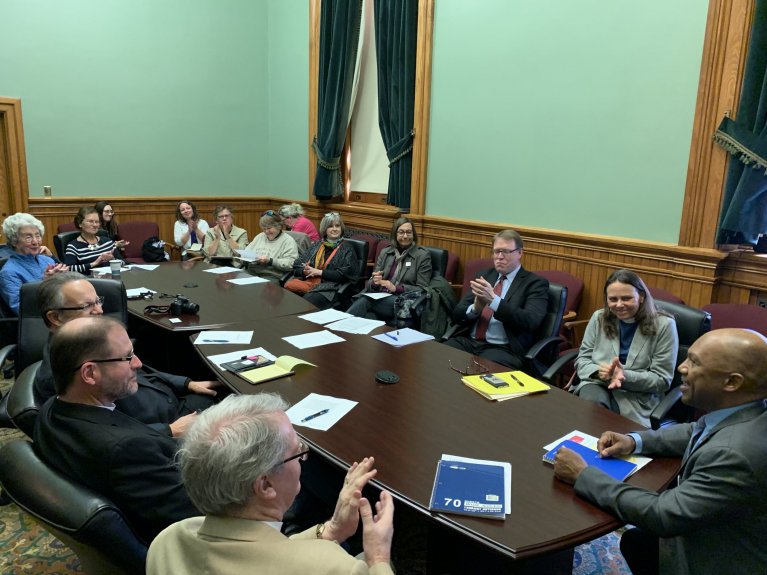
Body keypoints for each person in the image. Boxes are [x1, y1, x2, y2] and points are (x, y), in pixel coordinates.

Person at [553, 328, 767, 575]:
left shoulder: (733, 455)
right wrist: (634, 441)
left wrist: (583, 475)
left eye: (694, 362)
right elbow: (697, 430)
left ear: (732, 382)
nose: (681, 368)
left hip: (716, 558)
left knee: (639, 540)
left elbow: (663, 514)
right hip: (711, 525)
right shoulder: (749, 411)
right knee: (636, 542)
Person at [147, 393, 395, 575]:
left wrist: (331, 530)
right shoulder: (333, 567)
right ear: (265, 485)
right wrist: (378, 558)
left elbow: (262, 554)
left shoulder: (168, 541)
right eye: (298, 453)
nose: (302, 460)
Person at [33, 316, 200, 543]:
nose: (138, 364)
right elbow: (195, 514)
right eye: (127, 357)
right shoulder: (127, 450)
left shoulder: (51, 409)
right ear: (90, 373)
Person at [34, 272, 221, 437]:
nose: (99, 311)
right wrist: (169, 430)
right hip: (167, 423)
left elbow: (141, 367)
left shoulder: (89, 344)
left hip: (170, 398)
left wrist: (186, 382)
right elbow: (103, 433)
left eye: (98, 301)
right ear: (55, 318)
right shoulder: (60, 376)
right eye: (86, 306)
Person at [570, 269, 679, 426]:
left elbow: (662, 380)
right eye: (613, 299)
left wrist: (624, 376)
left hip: (636, 397)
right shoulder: (599, 318)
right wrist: (600, 373)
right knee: (590, 412)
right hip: (597, 384)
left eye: (626, 298)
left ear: (641, 297)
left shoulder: (665, 325)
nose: (619, 305)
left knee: (601, 423)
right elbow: (582, 360)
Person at [444, 229, 548, 368]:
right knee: (440, 358)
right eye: (496, 251)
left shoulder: (534, 283)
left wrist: (494, 302)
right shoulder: (485, 275)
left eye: (505, 252)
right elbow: (457, 315)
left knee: (481, 372)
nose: (499, 257)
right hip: (469, 341)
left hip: (503, 348)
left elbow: (530, 321)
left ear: (520, 253)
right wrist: (475, 309)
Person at [347, 217, 432, 323]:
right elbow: (371, 282)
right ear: (395, 234)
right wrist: (375, 281)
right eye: (401, 232)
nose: (405, 236)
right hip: (381, 297)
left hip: (402, 300)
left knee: (365, 301)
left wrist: (395, 288)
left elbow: (422, 289)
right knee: (368, 317)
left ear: (413, 235)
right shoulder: (386, 252)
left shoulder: (422, 256)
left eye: (409, 232)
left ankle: (339, 327)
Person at [285, 212, 356, 309]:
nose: (334, 229)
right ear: (324, 229)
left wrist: (319, 272)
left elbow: (344, 275)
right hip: (310, 282)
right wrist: (304, 271)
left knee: (306, 302)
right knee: (286, 296)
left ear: (341, 228)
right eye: (330, 226)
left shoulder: (347, 248)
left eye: (337, 226)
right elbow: (297, 263)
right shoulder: (317, 245)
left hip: (331, 288)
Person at [0, 212, 67, 313]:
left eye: (38, 235)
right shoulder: (8, 273)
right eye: (28, 237)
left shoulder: (47, 260)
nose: (35, 242)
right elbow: (20, 309)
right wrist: (45, 283)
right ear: (14, 241)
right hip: (40, 320)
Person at [242, 211, 298, 280]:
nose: (266, 232)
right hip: (252, 272)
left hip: (271, 275)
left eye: (269, 228)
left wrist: (270, 261)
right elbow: (246, 252)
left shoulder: (288, 241)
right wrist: (245, 258)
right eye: (264, 229)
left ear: (279, 226)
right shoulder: (260, 237)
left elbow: (291, 264)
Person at [64, 206, 121, 274]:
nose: (95, 225)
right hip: (88, 282)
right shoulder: (73, 246)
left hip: (112, 280)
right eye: (90, 221)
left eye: (97, 222)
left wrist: (113, 260)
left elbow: (123, 262)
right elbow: (68, 269)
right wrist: (95, 263)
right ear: (80, 223)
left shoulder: (107, 241)